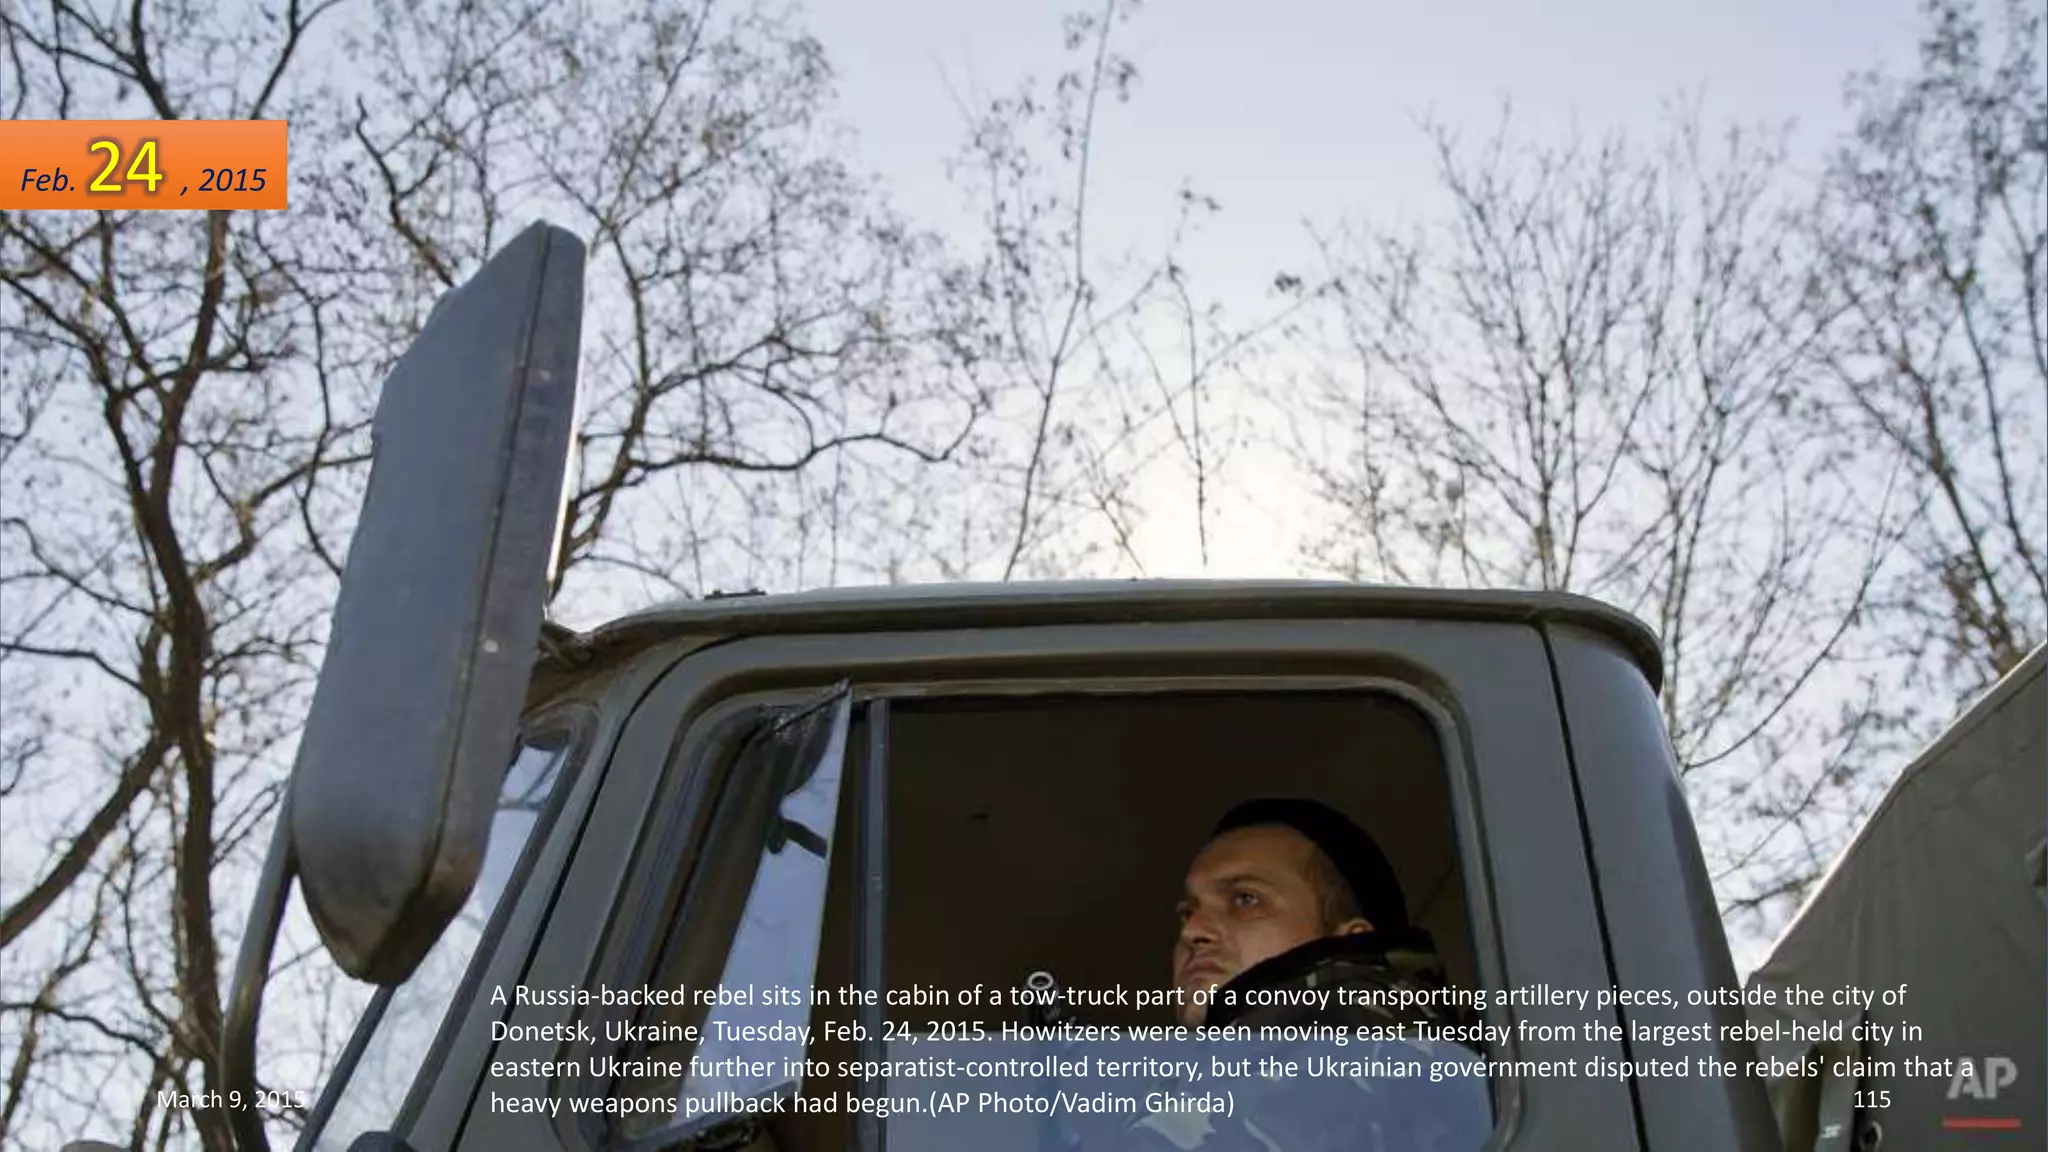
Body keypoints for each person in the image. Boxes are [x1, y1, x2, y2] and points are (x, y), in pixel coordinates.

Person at [1116, 798, 1493, 1152]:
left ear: (1350, 940)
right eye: (1188, 913)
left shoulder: (1364, 1044)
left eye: (1245, 899)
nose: (1192, 931)